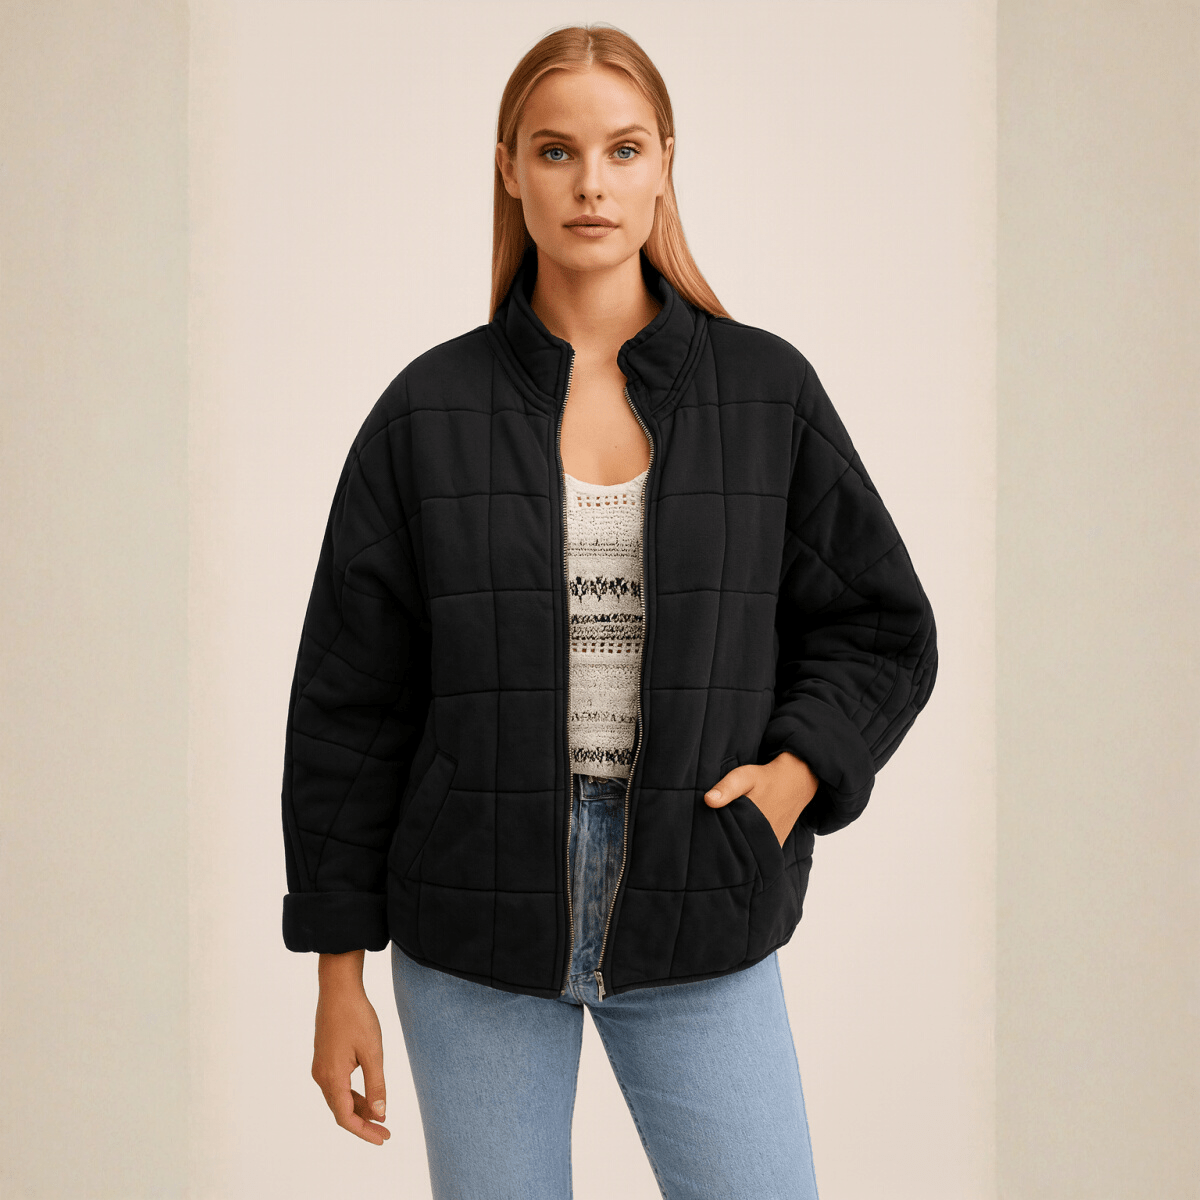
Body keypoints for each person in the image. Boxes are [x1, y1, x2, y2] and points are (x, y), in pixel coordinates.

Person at [280, 22, 938, 1199]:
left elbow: (883, 628)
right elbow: (350, 701)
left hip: (701, 893)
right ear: (509, 169)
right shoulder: (426, 413)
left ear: (665, 164)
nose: (592, 183)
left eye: (624, 150)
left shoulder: (764, 392)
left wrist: (794, 778)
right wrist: (339, 975)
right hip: (471, 922)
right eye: (557, 151)